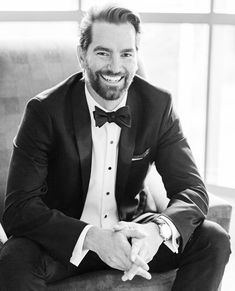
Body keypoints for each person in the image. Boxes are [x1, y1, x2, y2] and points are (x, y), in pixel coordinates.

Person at [0, 4, 231, 291]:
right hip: (69, 242)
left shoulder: (158, 106)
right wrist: (93, 237)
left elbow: (192, 190)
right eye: (103, 52)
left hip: (133, 235)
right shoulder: (44, 111)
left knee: (214, 239)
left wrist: (155, 231)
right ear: (82, 55)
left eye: (126, 53)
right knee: (14, 258)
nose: (115, 66)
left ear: (136, 57)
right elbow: (18, 208)